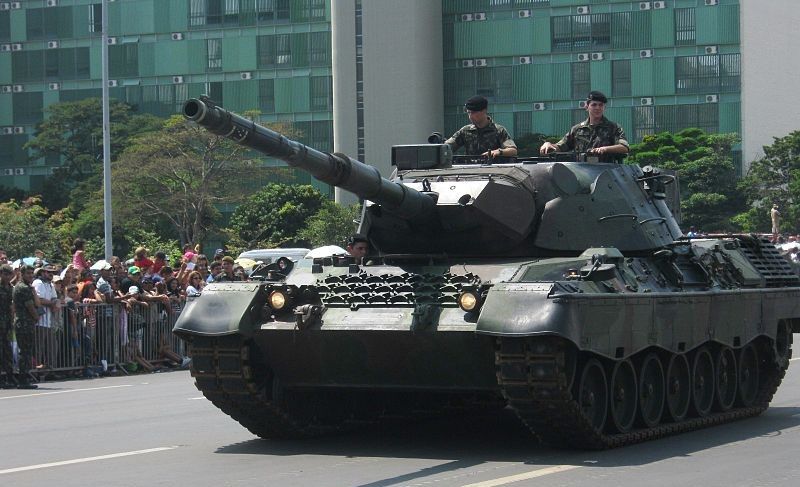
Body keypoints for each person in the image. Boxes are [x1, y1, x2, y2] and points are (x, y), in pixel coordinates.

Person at [540, 91, 629, 162]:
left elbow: (624, 148)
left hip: (605, 173)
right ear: (587, 107)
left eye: (600, 105)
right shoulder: (577, 129)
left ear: (604, 107)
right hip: (581, 173)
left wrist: (604, 149)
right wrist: (548, 144)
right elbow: (560, 147)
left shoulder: (613, 127)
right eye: (594, 105)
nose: (598, 108)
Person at [445, 95, 518, 158]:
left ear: (484, 111)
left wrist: (498, 152)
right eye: (469, 113)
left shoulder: (498, 130)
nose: (470, 116)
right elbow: (446, 147)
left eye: (473, 112)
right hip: (471, 171)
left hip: (494, 171)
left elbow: (513, 150)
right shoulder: (465, 131)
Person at [12, 265, 39, 389]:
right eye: (28, 273)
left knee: (27, 351)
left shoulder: (27, 287)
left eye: (32, 273)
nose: (30, 275)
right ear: (22, 274)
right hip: (24, 323)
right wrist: (36, 317)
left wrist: (33, 292)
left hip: (26, 323)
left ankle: (24, 377)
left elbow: (36, 303)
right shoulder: (22, 288)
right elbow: (30, 306)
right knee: (25, 352)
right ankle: (23, 379)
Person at [0, 264, 16, 388]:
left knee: (7, 351)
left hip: (7, 324)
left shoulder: (11, 287)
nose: (7, 277)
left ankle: (10, 377)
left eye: (9, 275)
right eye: (5, 274)